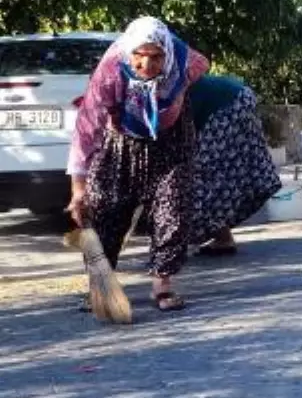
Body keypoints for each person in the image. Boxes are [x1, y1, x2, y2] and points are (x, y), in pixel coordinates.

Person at [67, 17, 209, 312]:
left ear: (167, 54)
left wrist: (179, 92)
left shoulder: (184, 63)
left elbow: (202, 64)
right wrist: (78, 188)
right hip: (120, 141)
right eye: (139, 57)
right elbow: (87, 128)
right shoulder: (110, 72)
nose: (146, 66)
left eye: (156, 57)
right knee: (104, 206)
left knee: (172, 208)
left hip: (171, 140)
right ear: (128, 52)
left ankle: (163, 284)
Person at [187, 74, 282, 255]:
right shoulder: (163, 71)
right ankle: (223, 237)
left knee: (205, 173)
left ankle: (221, 237)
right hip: (239, 96)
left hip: (226, 105)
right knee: (218, 171)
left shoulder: (163, 82)